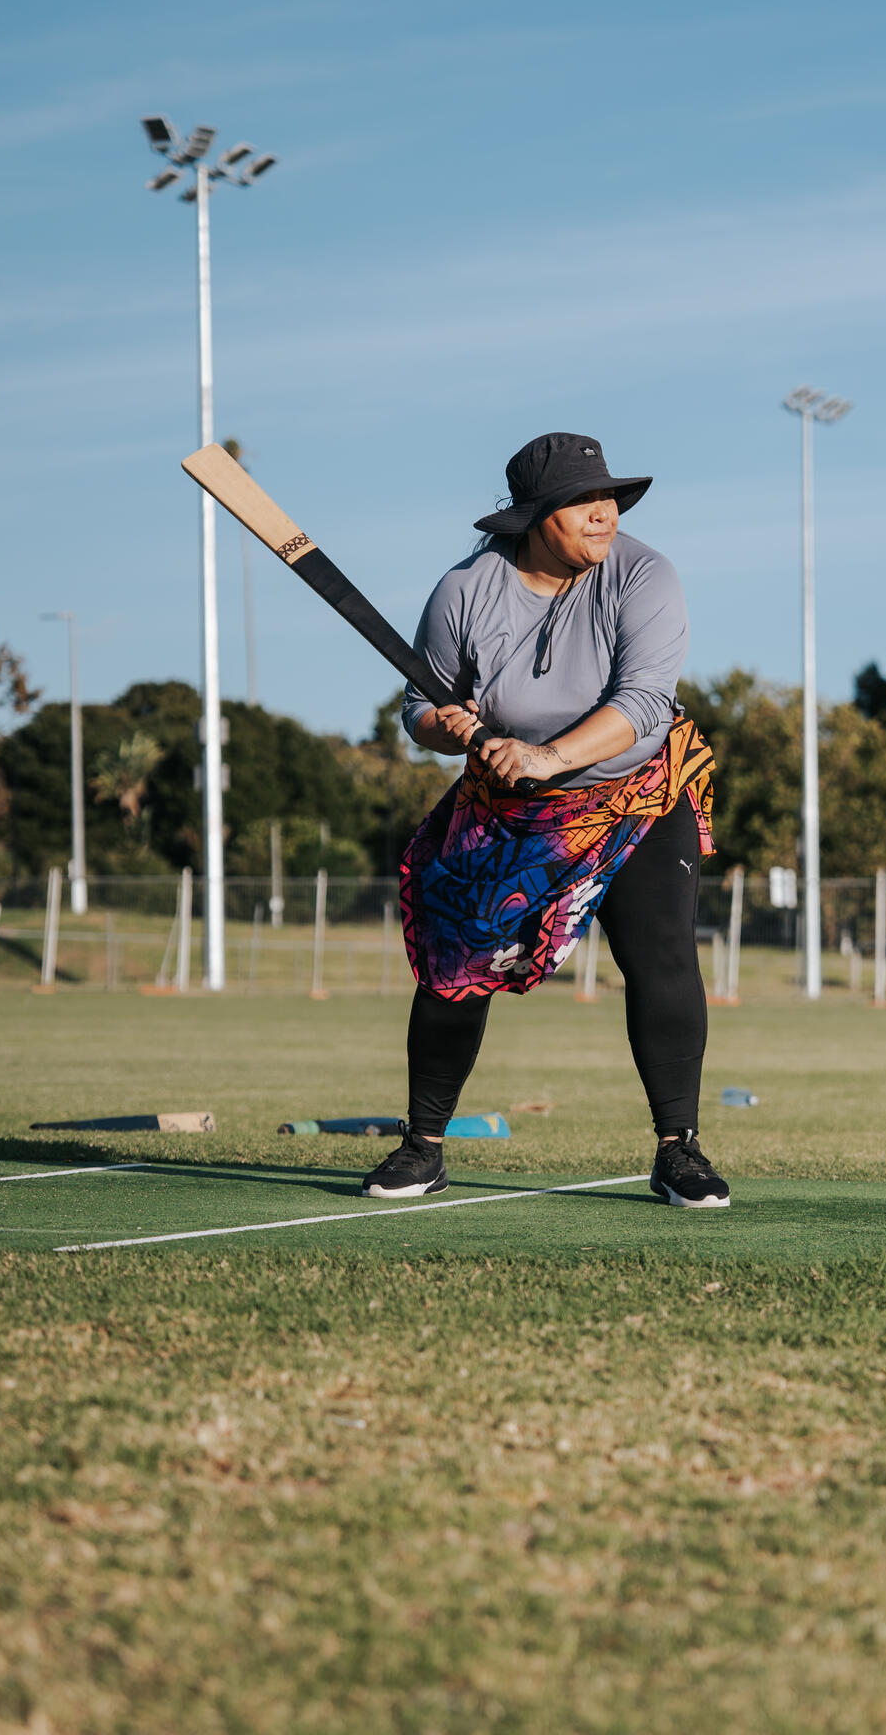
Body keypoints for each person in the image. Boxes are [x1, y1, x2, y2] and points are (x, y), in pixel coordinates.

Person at [362, 431, 730, 1211]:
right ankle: (422, 1147)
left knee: (662, 953)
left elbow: (643, 703)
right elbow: (420, 707)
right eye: (581, 503)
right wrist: (446, 729)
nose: (604, 515)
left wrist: (547, 756)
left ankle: (680, 1149)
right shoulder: (465, 591)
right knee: (456, 966)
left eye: (609, 500)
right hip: (506, 807)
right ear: (533, 517)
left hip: (635, 792)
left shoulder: (645, 575)